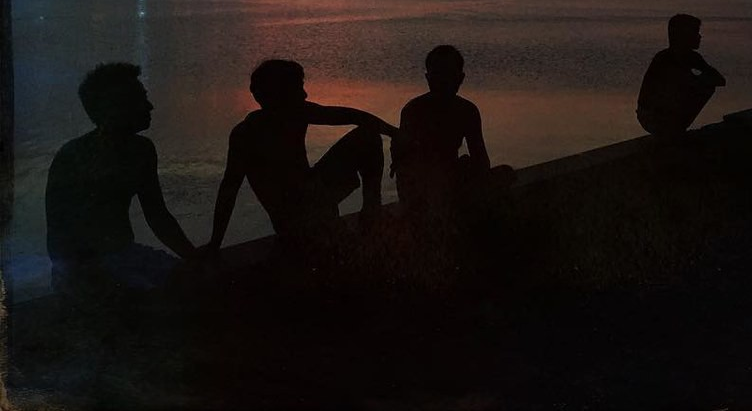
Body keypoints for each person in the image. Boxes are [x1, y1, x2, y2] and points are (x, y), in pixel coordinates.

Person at [205, 59, 400, 255]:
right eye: (299, 89)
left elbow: (354, 116)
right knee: (367, 137)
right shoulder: (247, 134)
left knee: (367, 136)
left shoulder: (295, 113)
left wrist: (397, 135)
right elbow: (229, 189)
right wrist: (215, 243)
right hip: (294, 220)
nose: (305, 94)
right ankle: (358, 220)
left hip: (312, 199)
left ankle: (370, 213)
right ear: (280, 95)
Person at [46, 63, 198, 296]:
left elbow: (158, 217)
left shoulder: (142, 150)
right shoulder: (72, 157)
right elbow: (59, 233)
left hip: (122, 256)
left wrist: (193, 257)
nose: (150, 106)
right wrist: (83, 277)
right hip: (81, 268)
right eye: (140, 99)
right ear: (116, 107)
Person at [391, 45, 513, 215]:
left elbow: (481, 160)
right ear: (428, 78)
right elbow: (402, 166)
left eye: (448, 75)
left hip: (452, 177)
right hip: (421, 186)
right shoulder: (413, 111)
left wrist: (467, 171)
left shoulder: (467, 111)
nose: (442, 81)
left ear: (460, 78)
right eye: (437, 75)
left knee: (505, 173)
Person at [636, 13, 726, 142]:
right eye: (696, 32)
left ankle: (677, 128)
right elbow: (680, 84)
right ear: (684, 36)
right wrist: (699, 80)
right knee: (697, 87)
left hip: (667, 111)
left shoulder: (694, 57)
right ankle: (671, 131)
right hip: (650, 115)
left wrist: (701, 78)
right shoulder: (665, 59)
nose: (700, 36)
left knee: (706, 87)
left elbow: (720, 80)